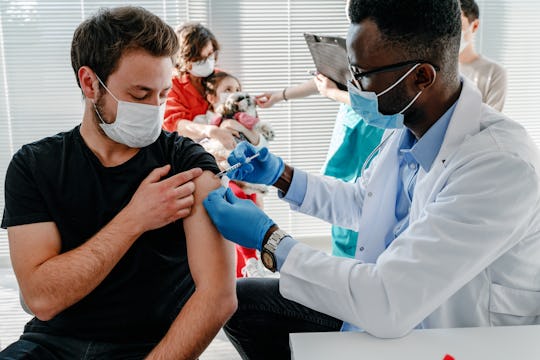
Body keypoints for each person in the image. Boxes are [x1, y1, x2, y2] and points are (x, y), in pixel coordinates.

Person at [203, 0, 540, 358]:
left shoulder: (498, 165)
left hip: (455, 336)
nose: (350, 86)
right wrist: (281, 176)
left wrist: (270, 240)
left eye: (361, 75)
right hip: (391, 305)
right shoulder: (410, 125)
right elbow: (365, 203)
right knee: (245, 303)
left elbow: (387, 301)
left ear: (421, 77)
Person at [0, 6, 236, 359]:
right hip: (52, 345)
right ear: (90, 83)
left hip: (151, 349)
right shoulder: (35, 167)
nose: (154, 108)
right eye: (140, 95)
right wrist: (135, 218)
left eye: (162, 94)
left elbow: (218, 297)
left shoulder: (188, 164)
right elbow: (42, 299)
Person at [257, 74, 383, 258]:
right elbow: (326, 78)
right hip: (351, 133)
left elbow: (380, 106)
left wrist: (333, 93)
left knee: (360, 212)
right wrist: (280, 95)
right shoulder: (352, 52)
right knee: (340, 214)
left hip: (371, 136)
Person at [200, 71, 273, 277]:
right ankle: (249, 261)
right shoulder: (206, 122)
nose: (235, 94)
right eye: (228, 90)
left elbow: (261, 146)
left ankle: (255, 261)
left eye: (238, 90)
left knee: (254, 204)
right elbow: (206, 149)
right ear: (212, 97)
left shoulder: (246, 119)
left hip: (247, 178)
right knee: (238, 199)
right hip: (225, 176)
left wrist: (239, 126)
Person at [163, 22, 239, 150]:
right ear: (183, 60)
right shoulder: (172, 85)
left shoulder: (222, 79)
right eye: (200, 59)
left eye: (210, 54)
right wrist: (211, 131)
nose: (208, 62)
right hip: (191, 150)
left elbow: (240, 106)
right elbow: (175, 124)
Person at [459, 0, 507, 111]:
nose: (453, 33)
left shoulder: (494, 72)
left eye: (459, 25)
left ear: (475, 26)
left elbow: (491, 122)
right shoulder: (438, 70)